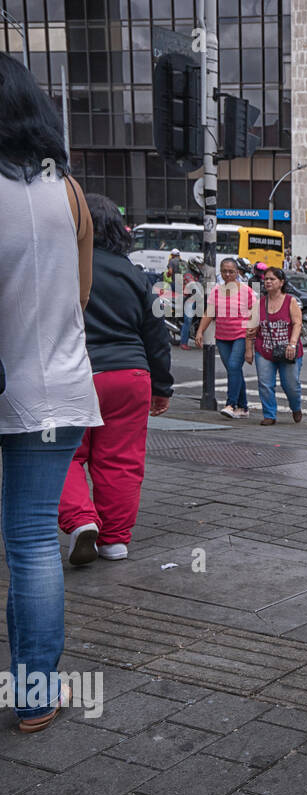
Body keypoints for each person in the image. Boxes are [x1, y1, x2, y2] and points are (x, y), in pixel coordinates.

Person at [0, 56, 102, 732]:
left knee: (24, 543)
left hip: (12, 382)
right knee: (33, 541)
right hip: (60, 391)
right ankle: (35, 696)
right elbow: (82, 296)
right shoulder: (70, 193)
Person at [59, 193, 173, 565]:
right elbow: (157, 334)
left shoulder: (64, 267)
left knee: (65, 454)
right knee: (121, 459)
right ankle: (115, 541)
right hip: (130, 376)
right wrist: (161, 386)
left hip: (77, 373)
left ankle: (80, 520)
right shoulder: (139, 275)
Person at [195, 258, 257, 419]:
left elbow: (254, 316)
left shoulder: (247, 291)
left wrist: (250, 343)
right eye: (224, 271)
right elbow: (209, 312)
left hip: (241, 335)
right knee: (233, 370)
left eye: (231, 271)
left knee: (234, 366)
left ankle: (231, 404)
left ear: (237, 272)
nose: (228, 274)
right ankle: (243, 408)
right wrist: (200, 331)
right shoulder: (216, 290)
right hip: (222, 336)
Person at [246, 266, 304, 425]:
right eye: (266, 279)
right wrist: (248, 350)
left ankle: (296, 407)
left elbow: (297, 324)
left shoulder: (290, 301)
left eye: (272, 279)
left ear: (281, 282)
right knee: (265, 384)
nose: (268, 282)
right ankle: (269, 415)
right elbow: (250, 328)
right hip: (264, 350)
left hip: (288, 351)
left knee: (291, 385)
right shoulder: (260, 303)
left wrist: (292, 345)